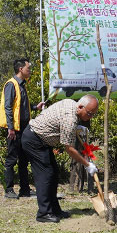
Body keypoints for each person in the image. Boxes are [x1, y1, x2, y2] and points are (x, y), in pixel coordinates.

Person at [21, 95, 99, 223]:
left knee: (53, 173)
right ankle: (44, 213)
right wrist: (87, 165)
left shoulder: (71, 103)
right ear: (80, 107)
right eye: (89, 113)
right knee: (45, 175)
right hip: (34, 140)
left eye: (93, 114)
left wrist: (76, 129)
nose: (90, 117)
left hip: (41, 140)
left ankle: (54, 210)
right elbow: (69, 149)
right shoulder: (70, 119)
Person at [0, 58, 44, 199]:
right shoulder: (11, 84)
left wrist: (36, 107)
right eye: (28, 68)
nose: (29, 70)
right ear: (20, 69)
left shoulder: (22, 85)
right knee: (12, 159)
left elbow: (21, 106)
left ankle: (25, 189)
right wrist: (10, 128)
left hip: (24, 127)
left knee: (24, 159)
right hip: (14, 129)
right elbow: (8, 107)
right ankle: (9, 189)